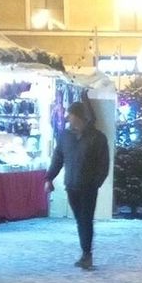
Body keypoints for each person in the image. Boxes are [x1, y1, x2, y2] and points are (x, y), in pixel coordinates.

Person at [45, 100, 109, 270]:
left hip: (88, 187)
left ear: (78, 116)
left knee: (85, 220)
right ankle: (85, 253)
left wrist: (96, 182)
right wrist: (49, 178)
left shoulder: (97, 137)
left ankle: (86, 254)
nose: (68, 118)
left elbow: (104, 164)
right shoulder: (65, 136)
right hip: (71, 185)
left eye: (70, 115)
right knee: (80, 220)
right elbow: (58, 158)